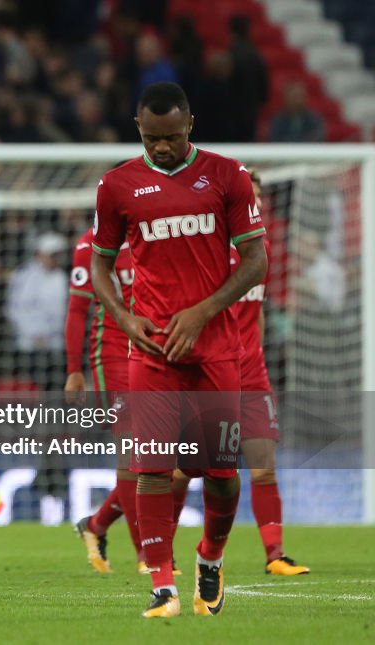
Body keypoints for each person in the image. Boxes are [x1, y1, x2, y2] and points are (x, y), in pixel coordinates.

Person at [91, 81, 267, 618]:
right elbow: (101, 263)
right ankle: (163, 585)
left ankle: (210, 558)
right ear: (138, 128)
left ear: (189, 124)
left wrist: (203, 311)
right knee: (150, 469)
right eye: (151, 138)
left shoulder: (227, 176)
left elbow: (256, 262)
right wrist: (123, 316)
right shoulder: (118, 185)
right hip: (151, 352)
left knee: (220, 475)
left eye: (169, 137)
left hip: (217, 350)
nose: (161, 148)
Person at [170, 169, 310, 576]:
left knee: (264, 464)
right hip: (211, 373)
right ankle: (161, 555)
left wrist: (257, 354)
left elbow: (257, 309)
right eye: (250, 195)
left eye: (260, 197)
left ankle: (275, 554)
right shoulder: (205, 246)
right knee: (186, 469)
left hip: (250, 372)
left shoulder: (259, 248)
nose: (257, 203)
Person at [65, 225, 141, 574]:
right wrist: (73, 369)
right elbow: (78, 310)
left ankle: (95, 525)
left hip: (156, 352)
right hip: (112, 357)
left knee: (165, 462)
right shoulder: (90, 243)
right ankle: (148, 556)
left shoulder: (156, 233)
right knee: (133, 454)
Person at [5, 231, 68, 392]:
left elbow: (63, 313)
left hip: (55, 346)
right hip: (28, 345)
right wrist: (35, 334)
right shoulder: (25, 276)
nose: (55, 259)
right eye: (51, 254)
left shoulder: (62, 278)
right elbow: (15, 310)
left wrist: (49, 334)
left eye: (57, 255)